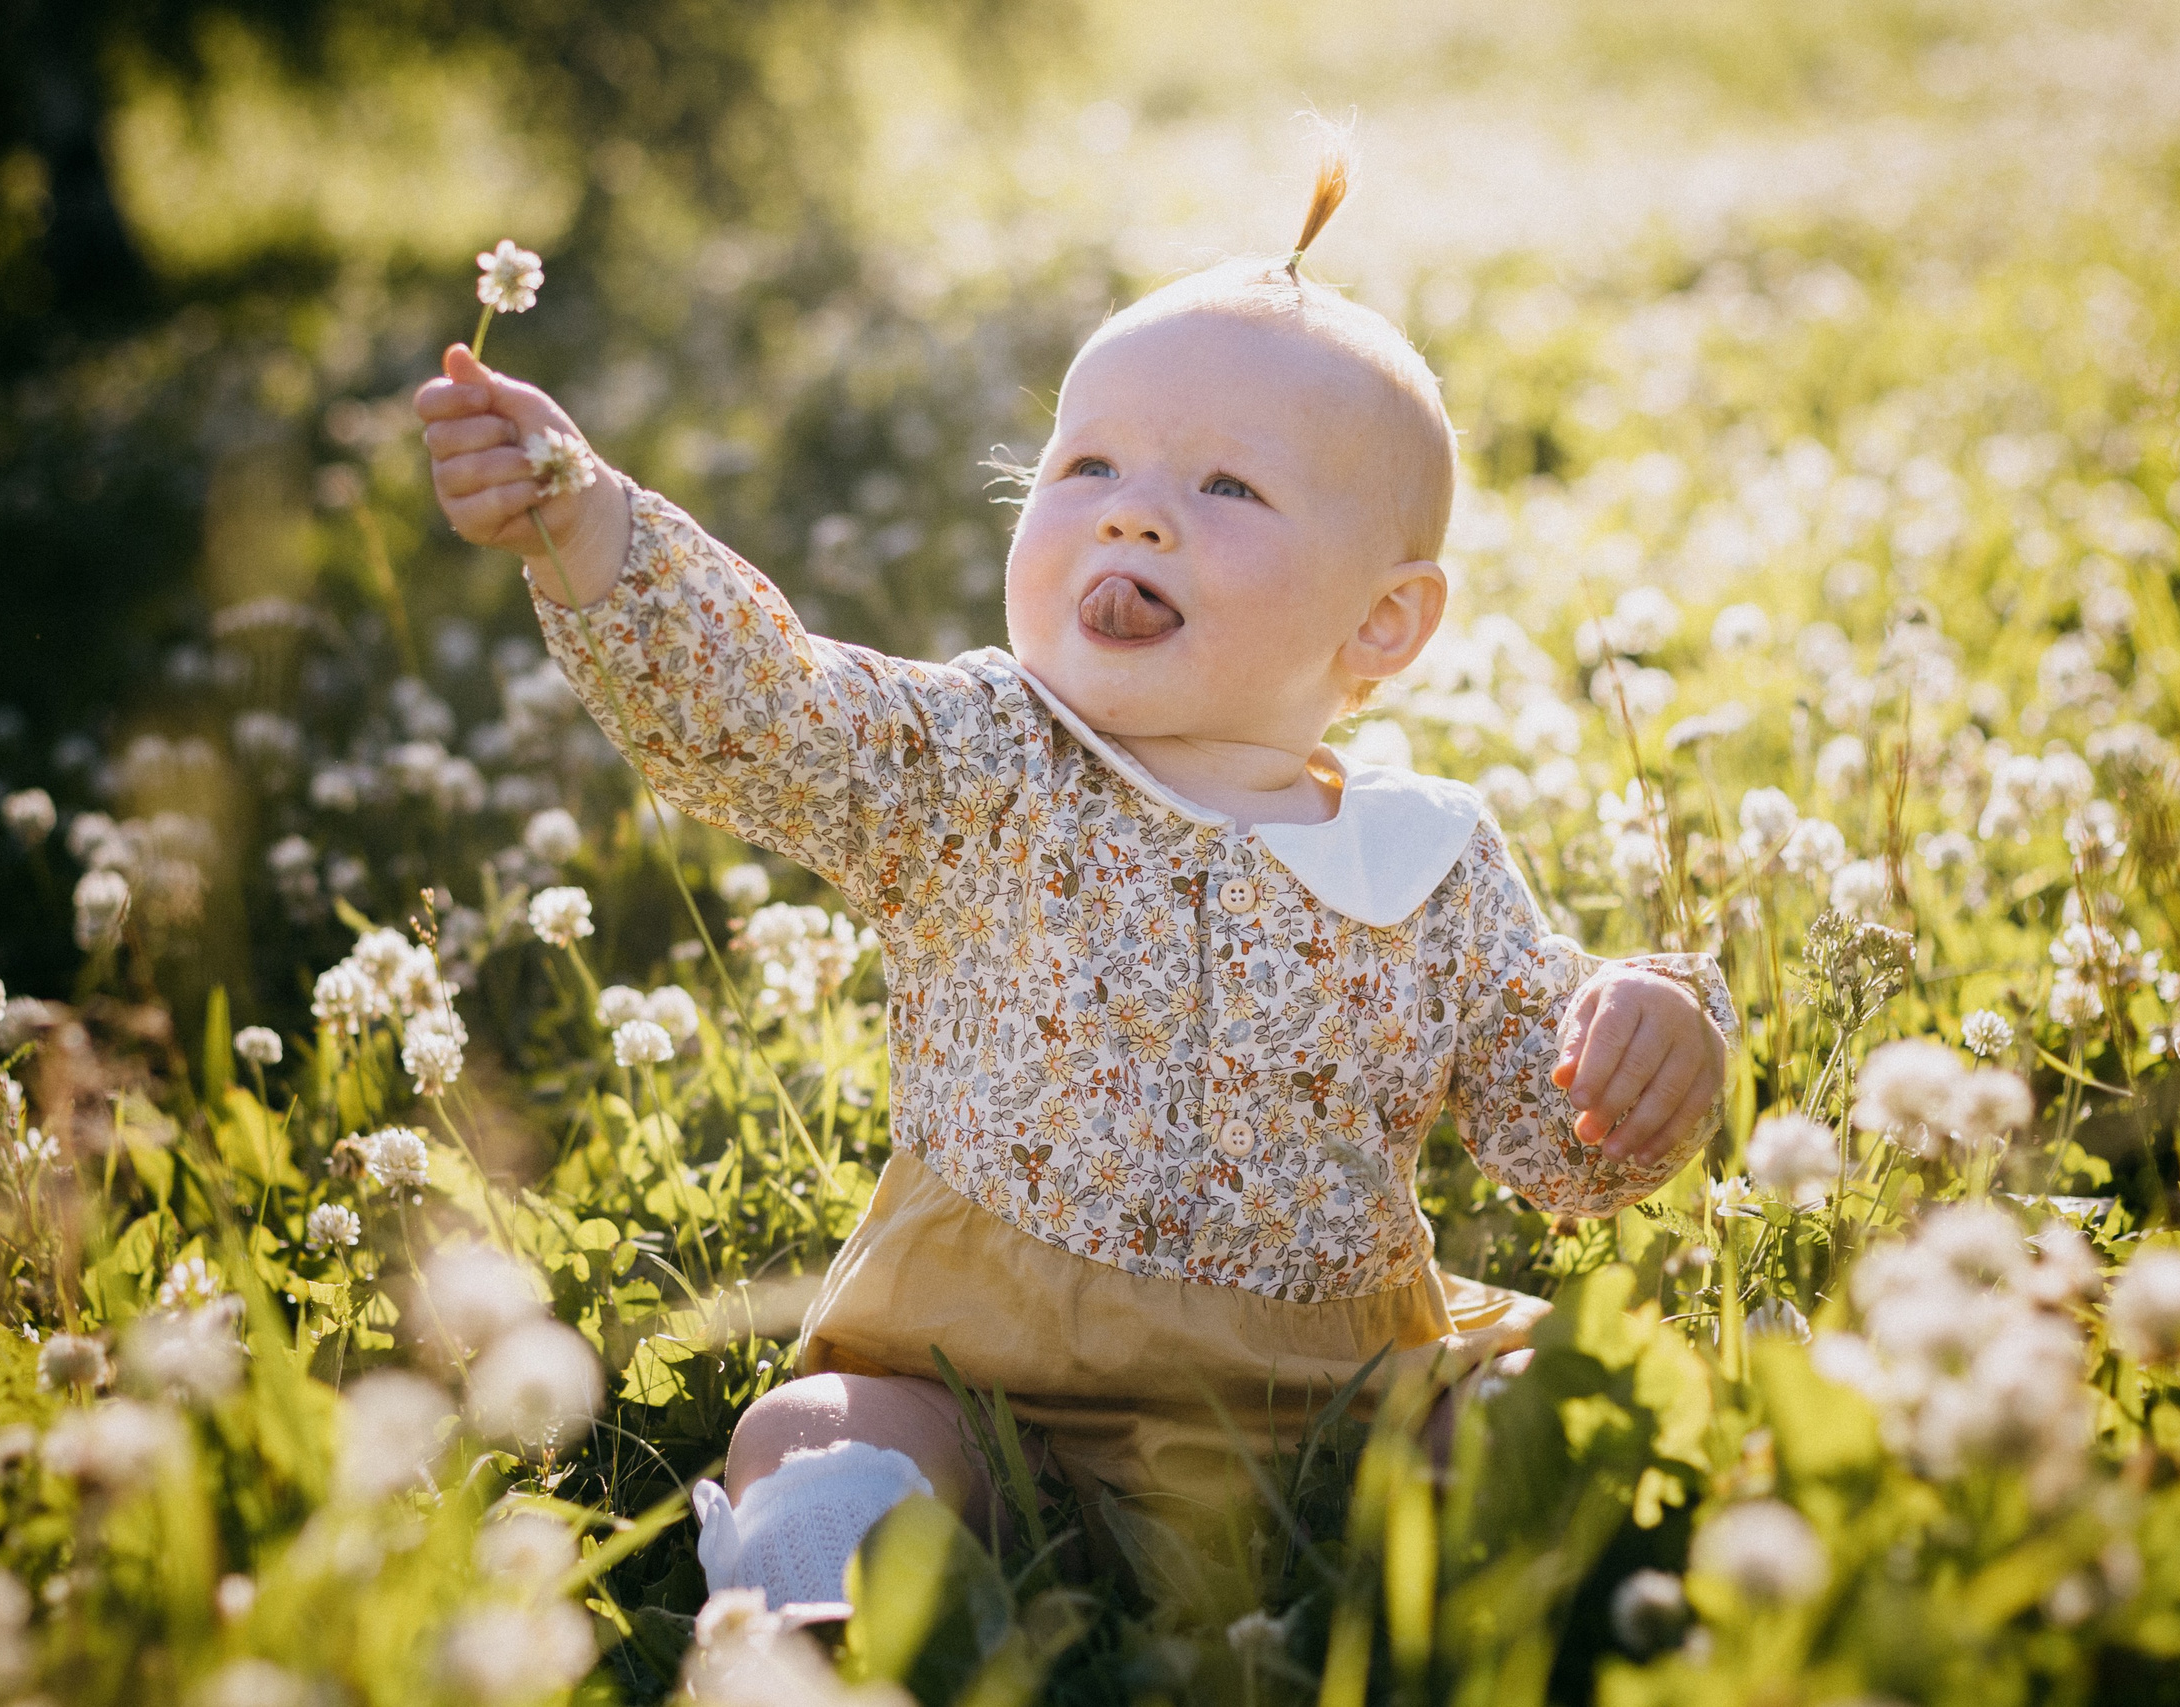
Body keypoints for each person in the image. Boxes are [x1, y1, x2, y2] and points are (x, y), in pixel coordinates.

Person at [415, 143, 1736, 1617]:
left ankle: (1488, 1588)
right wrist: (595, 528)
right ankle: (834, 1623)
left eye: (1226, 485)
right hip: (983, 1372)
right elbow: (767, 719)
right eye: (1086, 465)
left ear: (1384, 624)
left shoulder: (1429, 861)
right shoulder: (976, 763)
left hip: (1334, 1389)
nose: (1134, 511)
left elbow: (1554, 1143)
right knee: (816, 1434)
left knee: (1538, 1399)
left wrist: (1650, 1037)